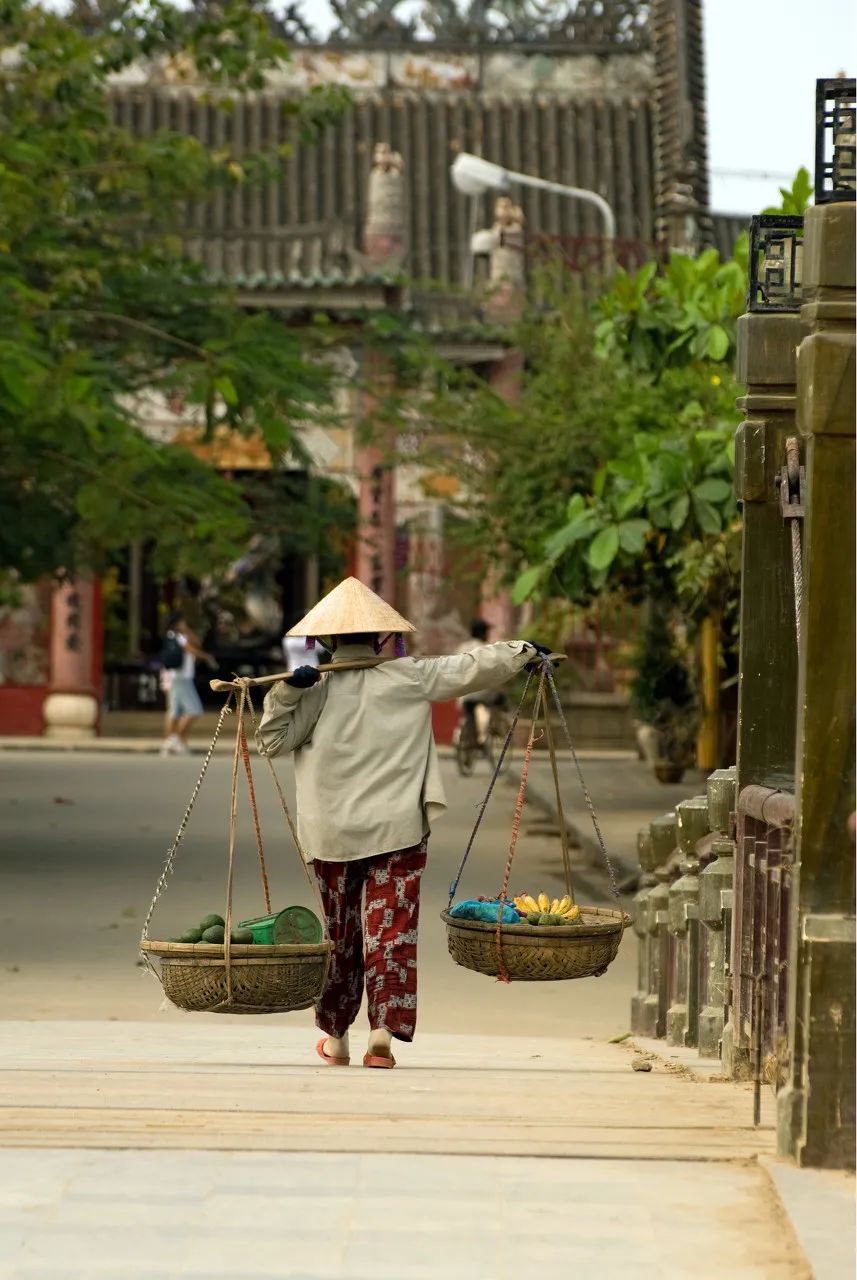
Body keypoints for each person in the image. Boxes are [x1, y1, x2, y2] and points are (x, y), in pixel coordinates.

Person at [256, 577, 551, 1070]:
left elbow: (272, 741)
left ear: (327, 642)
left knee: (340, 934)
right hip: (398, 831)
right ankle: (382, 1033)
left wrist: (287, 692)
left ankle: (336, 1039)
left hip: (332, 835)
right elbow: (469, 668)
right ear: (379, 639)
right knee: (390, 929)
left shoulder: (315, 692)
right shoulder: (409, 678)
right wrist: (522, 651)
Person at [160, 611, 216, 756]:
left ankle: (173, 741)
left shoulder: (179, 636)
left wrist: (187, 631)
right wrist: (207, 657)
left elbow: (196, 643)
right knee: (194, 710)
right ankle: (175, 738)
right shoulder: (176, 637)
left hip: (178, 678)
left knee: (174, 712)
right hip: (181, 678)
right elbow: (192, 649)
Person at [456, 617, 507, 746]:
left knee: (470, 710)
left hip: (463, 693)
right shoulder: (486, 649)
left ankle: (471, 736)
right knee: (500, 699)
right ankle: (491, 728)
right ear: (482, 633)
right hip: (482, 693)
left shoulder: (462, 647)